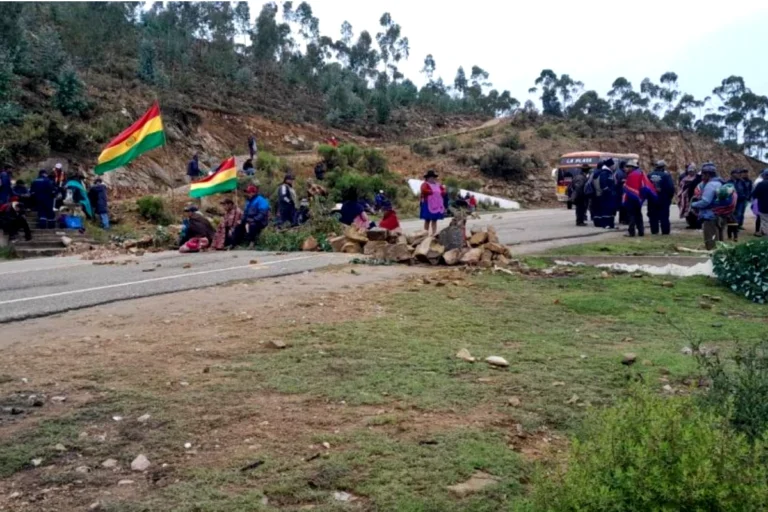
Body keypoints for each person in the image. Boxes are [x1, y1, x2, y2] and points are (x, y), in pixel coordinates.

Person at [691, 163, 725, 250]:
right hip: (719, 214)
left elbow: (705, 201)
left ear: (708, 174)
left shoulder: (710, 185)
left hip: (710, 216)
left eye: (703, 174)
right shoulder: (719, 182)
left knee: (711, 241)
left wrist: (693, 204)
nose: (701, 177)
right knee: (719, 239)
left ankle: (713, 254)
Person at [622, 159, 657, 237]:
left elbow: (629, 188)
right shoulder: (640, 173)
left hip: (632, 199)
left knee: (632, 215)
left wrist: (624, 185)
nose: (626, 168)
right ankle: (641, 231)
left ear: (632, 167)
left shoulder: (632, 175)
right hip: (638, 198)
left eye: (628, 167)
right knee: (638, 215)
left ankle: (631, 232)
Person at [647, 160, 676, 235]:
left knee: (653, 216)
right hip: (663, 199)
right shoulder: (666, 176)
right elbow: (671, 188)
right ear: (663, 167)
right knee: (664, 216)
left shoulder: (649, 175)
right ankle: (665, 231)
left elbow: (645, 187)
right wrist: (669, 197)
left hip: (652, 199)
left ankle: (654, 231)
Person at [241, 184, 270, 249]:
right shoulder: (248, 201)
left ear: (253, 193)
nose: (247, 194)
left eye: (249, 192)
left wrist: (254, 219)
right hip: (250, 219)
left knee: (252, 225)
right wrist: (243, 220)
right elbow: (245, 213)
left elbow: (262, 213)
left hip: (261, 221)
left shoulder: (261, 200)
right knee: (239, 225)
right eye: (247, 192)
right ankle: (235, 243)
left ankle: (252, 242)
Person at [591, 159, 617, 229]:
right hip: (606, 195)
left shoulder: (609, 172)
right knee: (606, 210)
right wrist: (608, 191)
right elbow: (603, 184)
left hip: (610, 195)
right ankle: (606, 224)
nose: (614, 166)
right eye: (613, 165)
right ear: (610, 165)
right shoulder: (605, 173)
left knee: (610, 210)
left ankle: (611, 224)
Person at [420, 169, 446, 235]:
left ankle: (434, 233)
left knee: (434, 219)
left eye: (433, 177)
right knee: (427, 219)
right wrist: (431, 192)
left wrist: (442, 192)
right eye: (430, 177)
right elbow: (423, 190)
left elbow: (443, 191)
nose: (432, 179)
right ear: (427, 178)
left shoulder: (438, 185)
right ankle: (425, 234)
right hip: (428, 204)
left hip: (437, 204)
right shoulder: (425, 184)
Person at [751, 169, 768, 237]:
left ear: (765, 176)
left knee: (764, 222)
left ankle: (766, 238)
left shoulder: (761, 184)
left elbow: (754, 195)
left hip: (763, 206)